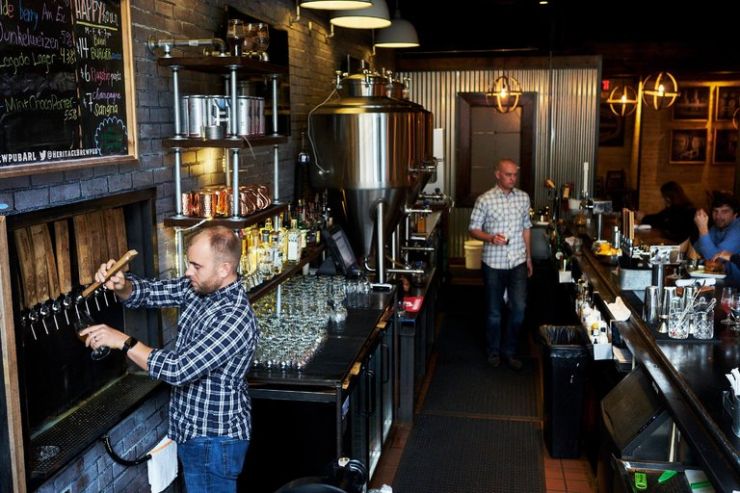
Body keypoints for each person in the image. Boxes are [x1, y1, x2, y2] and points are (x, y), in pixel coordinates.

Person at [81, 226, 259, 492]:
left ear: (224, 269)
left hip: (214, 439)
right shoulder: (199, 288)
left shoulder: (234, 318)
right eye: (189, 263)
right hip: (194, 433)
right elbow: (150, 292)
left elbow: (179, 370)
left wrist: (123, 341)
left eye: (196, 266)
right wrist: (122, 285)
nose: (188, 272)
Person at [469, 158, 532, 370]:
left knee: (519, 309)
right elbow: (473, 229)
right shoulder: (485, 200)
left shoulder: (523, 198)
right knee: (494, 312)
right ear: (498, 174)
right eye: (508, 174)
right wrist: (490, 237)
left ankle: (510, 351)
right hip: (493, 263)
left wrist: (529, 258)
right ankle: (494, 351)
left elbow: (526, 228)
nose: (512, 178)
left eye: (515, 175)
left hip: (518, 261)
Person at [693, 192, 740, 287]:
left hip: (735, 287)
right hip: (721, 282)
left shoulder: (737, 228)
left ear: (735, 214)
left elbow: (714, 259)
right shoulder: (716, 227)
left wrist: (702, 229)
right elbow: (697, 248)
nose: (718, 216)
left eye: (724, 212)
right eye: (715, 211)